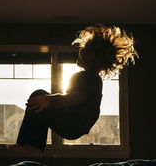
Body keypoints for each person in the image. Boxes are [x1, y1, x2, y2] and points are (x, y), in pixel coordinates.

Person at [9, 24, 137, 153]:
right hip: (76, 123)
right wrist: (49, 102)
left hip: (74, 123)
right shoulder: (91, 78)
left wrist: (50, 100)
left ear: (91, 54)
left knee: (39, 95)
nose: (79, 51)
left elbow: (75, 98)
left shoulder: (89, 77)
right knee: (40, 102)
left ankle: (31, 145)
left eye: (83, 49)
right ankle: (31, 144)